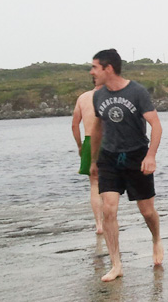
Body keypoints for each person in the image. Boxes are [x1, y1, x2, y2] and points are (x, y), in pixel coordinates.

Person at [90, 49, 163, 282]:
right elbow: (97, 128)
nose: (92, 72)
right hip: (109, 158)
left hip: (136, 155)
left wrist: (150, 156)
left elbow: (156, 126)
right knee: (109, 209)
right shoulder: (98, 95)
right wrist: (92, 160)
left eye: (95, 67)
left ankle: (156, 239)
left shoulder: (137, 92)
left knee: (147, 211)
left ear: (108, 68)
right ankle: (116, 264)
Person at [72, 83, 103, 234]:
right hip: (109, 140)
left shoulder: (83, 98)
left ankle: (99, 224)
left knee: (94, 184)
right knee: (111, 183)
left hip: (89, 140)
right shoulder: (111, 95)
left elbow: (74, 125)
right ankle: (110, 219)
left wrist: (79, 146)